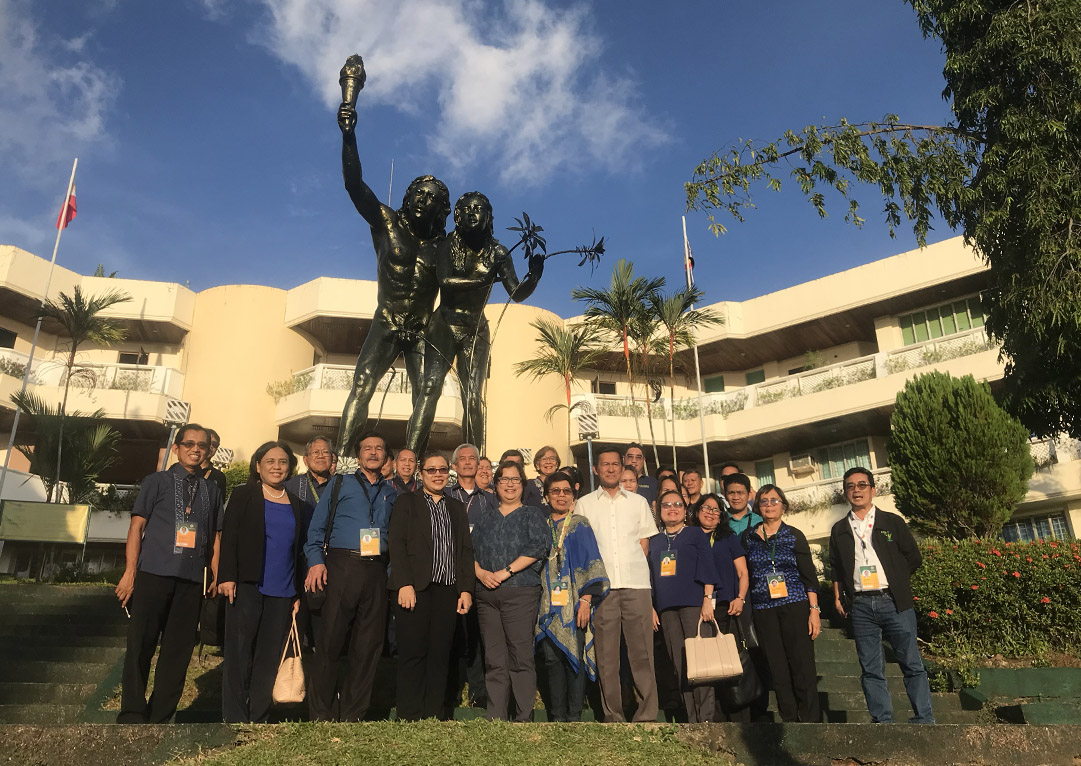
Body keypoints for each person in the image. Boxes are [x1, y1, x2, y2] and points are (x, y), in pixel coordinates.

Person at [335, 87, 451, 457]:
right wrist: (349, 135)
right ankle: (342, 461)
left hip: (421, 329)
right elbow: (354, 185)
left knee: (425, 395)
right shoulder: (387, 222)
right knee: (363, 384)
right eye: (420, 192)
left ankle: (414, 465)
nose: (424, 200)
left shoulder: (444, 247)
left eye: (433, 197)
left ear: (442, 209)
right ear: (408, 195)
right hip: (387, 320)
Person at [406, 191, 544, 454]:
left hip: (475, 328)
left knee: (473, 396)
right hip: (444, 324)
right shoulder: (447, 246)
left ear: (488, 216)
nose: (472, 212)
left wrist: (533, 278)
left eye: (478, 208)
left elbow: (515, 294)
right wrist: (484, 280)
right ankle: (412, 455)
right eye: (466, 208)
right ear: (457, 216)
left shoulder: (499, 253)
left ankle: (474, 458)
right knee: (430, 388)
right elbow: (445, 281)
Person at [114, 424, 224, 723]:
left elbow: (215, 538)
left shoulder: (212, 490)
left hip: (191, 581)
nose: (196, 449)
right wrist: (130, 573)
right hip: (153, 573)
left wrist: (216, 576)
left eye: (202, 445)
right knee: (141, 646)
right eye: (189, 443)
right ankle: (133, 713)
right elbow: (137, 527)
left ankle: (161, 716)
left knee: (177, 652)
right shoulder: (157, 481)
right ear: (177, 447)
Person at [303, 431, 397, 721]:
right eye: (367, 448)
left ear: (385, 457)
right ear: (358, 456)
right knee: (330, 641)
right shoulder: (339, 483)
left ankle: (354, 713)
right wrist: (316, 562)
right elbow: (316, 529)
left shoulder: (391, 492)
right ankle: (322, 711)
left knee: (368, 646)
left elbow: (395, 536)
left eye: (378, 448)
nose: (373, 453)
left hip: (376, 570)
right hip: (342, 565)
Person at [830, 467, 934, 724]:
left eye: (862, 485)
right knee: (870, 668)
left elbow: (913, 557)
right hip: (861, 605)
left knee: (911, 662)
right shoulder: (840, 529)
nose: (856, 490)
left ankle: (924, 717)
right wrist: (837, 596)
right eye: (851, 486)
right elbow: (836, 567)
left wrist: (896, 580)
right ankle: (882, 720)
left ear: (873, 490)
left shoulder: (892, 522)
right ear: (845, 492)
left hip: (894, 601)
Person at [218, 441, 309, 723]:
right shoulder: (244, 495)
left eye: (282, 462)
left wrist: (298, 594)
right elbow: (229, 537)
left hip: (282, 591)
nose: (276, 467)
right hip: (246, 586)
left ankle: (259, 715)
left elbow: (301, 550)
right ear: (258, 466)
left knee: (269, 657)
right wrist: (227, 577)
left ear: (290, 468)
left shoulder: (299, 505)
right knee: (239, 654)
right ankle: (234, 716)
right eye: (270, 461)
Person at [388, 451, 475, 720]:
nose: (437, 475)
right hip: (415, 589)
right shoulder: (406, 503)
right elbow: (397, 545)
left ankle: (434, 713)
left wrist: (466, 590)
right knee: (413, 653)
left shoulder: (457, 507)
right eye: (431, 470)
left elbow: (464, 551)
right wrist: (404, 583)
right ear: (421, 473)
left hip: (447, 590)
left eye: (441, 470)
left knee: (440, 654)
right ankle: (410, 713)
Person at [575, 445, 660, 723]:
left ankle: (647, 715)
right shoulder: (585, 504)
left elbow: (644, 542)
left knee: (642, 654)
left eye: (615, 464)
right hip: (603, 589)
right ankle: (613, 716)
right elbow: (583, 548)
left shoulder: (638, 502)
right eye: (605, 464)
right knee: (607, 657)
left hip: (636, 585)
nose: (611, 468)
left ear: (622, 467)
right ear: (596, 469)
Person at [470, 460, 548, 721]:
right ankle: (496, 717)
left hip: (520, 592)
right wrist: (480, 572)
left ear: (523, 485)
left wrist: (506, 572)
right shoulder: (485, 519)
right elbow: (469, 552)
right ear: (496, 484)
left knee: (520, 656)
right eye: (505, 479)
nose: (510, 485)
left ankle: (523, 716)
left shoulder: (532, 515)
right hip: (487, 595)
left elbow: (538, 548)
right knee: (494, 659)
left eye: (516, 480)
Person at [742, 485, 822, 722]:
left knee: (802, 665)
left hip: (795, 605)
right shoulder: (749, 537)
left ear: (783, 506)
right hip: (764, 610)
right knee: (777, 669)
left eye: (774, 501)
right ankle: (790, 721)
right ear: (758, 507)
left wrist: (814, 610)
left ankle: (811, 722)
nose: (769, 505)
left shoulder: (794, 535)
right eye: (764, 501)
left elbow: (809, 576)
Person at [535, 471, 609, 722]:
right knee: (552, 660)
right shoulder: (541, 527)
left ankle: (574, 717)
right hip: (547, 605)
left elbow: (593, 564)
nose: (561, 496)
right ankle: (557, 717)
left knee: (574, 656)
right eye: (555, 491)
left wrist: (587, 601)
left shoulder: (580, 525)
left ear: (573, 496)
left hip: (577, 603)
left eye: (566, 491)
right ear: (546, 496)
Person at [647, 490, 718, 723]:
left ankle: (705, 719)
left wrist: (707, 599)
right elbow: (649, 576)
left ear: (685, 509)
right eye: (667, 505)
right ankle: (691, 719)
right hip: (666, 609)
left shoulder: (696, 534)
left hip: (694, 606)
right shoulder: (655, 540)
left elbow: (708, 566)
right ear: (659, 510)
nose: (672, 508)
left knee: (701, 664)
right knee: (680, 666)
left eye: (677, 504)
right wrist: (651, 607)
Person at [444, 442, 496, 708]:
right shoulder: (444, 495)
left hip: (481, 574)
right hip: (450, 573)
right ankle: (451, 688)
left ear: (478, 465)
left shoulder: (489, 500)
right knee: (451, 632)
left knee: (477, 634)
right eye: (461, 459)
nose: (466, 463)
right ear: (454, 466)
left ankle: (478, 690)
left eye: (472, 459)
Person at [691, 493, 751, 722]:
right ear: (697, 512)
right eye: (706, 508)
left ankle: (738, 716)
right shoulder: (689, 537)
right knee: (707, 665)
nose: (710, 512)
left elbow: (743, 573)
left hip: (726, 607)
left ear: (721, 517)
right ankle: (713, 716)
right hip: (697, 608)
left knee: (730, 663)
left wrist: (740, 597)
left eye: (716, 510)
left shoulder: (728, 538)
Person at [284, 435, 335, 514]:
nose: (321, 456)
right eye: (315, 452)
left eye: (325, 452)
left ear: (332, 458)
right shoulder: (291, 486)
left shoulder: (341, 486)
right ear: (305, 460)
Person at [724, 473, 763, 538]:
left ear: (749, 495)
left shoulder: (760, 521)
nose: (736, 497)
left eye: (740, 493)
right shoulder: (719, 521)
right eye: (731, 493)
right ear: (725, 496)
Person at [201, 429, 227, 497]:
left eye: (214, 444)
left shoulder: (219, 476)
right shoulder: (186, 468)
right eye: (208, 442)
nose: (211, 446)